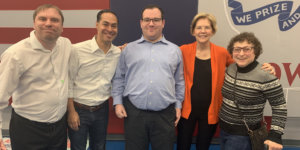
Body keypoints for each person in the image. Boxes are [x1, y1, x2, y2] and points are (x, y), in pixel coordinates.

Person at [177, 13, 276, 150]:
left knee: (203, 146)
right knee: (182, 145)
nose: (203, 31)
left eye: (207, 27)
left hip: (211, 111)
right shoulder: (183, 50)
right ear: (193, 30)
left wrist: (264, 68)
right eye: (199, 27)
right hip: (187, 110)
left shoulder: (221, 52)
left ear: (213, 30)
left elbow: (243, 63)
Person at [111, 4, 185, 150]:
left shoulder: (175, 50)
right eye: (147, 20)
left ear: (163, 23)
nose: (151, 23)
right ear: (141, 23)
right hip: (134, 114)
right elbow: (119, 78)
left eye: (156, 20)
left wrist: (178, 105)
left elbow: (179, 82)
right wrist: (118, 102)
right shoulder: (128, 50)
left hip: (165, 114)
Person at [0, 4, 71, 150]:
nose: (48, 23)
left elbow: (86, 50)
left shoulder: (66, 45)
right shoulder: (16, 54)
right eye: (43, 19)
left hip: (59, 128)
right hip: (27, 130)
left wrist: (117, 49)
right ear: (34, 24)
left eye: (54, 20)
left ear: (62, 27)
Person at [219, 32, 287, 150]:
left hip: (243, 136)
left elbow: (279, 107)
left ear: (255, 51)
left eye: (246, 49)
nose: (241, 53)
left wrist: (275, 136)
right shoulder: (231, 68)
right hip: (223, 130)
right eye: (237, 49)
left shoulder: (266, 75)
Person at [67, 10, 120, 150]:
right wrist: (71, 112)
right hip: (79, 110)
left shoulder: (117, 53)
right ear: (97, 25)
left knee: (100, 146)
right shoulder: (77, 50)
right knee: (78, 147)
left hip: (102, 109)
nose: (109, 29)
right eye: (105, 24)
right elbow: (67, 82)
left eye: (113, 26)